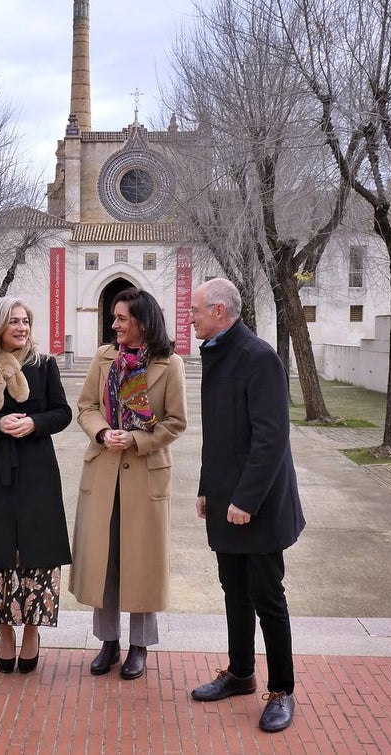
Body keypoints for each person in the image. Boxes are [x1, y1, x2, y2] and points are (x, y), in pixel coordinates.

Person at [187, 278, 306, 733]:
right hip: (226, 500)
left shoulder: (258, 358)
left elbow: (271, 439)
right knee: (234, 591)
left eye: (196, 310)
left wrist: (245, 500)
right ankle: (240, 673)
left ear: (219, 311)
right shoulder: (218, 355)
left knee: (267, 597)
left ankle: (282, 690)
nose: (191, 318)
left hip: (258, 505)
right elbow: (218, 436)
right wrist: (207, 488)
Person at [70, 287, 187, 680]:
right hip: (103, 469)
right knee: (104, 559)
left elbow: (176, 422)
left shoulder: (170, 364)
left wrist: (136, 439)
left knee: (142, 562)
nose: (115, 324)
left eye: (122, 318)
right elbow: (86, 406)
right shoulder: (104, 358)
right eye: (114, 317)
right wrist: (104, 432)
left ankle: (139, 646)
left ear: (142, 322)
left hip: (145, 472)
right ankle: (109, 641)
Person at [0, 297, 73, 674]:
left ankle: (32, 630)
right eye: (14, 322)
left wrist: (34, 423)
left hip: (38, 468)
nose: (22, 327)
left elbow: (63, 412)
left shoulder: (44, 364)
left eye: (25, 321)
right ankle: (5, 630)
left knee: (36, 549)